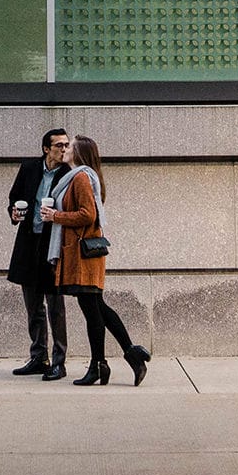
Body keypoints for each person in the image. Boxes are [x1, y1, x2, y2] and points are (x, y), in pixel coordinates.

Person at [40, 134, 150, 387]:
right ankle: (126, 357)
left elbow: (87, 215)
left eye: (70, 147)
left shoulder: (80, 177)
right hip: (85, 254)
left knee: (93, 311)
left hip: (83, 255)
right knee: (97, 308)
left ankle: (101, 365)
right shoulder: (83, 176)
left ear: (79, 153)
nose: (65, 149)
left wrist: (55, 216)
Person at [6, 127, 71, 379]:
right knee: (33, 306)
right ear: (46, 149)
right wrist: (13, 212)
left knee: (55, 305)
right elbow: (14, 198)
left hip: (53, 245)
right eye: (59, 146)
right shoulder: (29, 168)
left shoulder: (69, 174)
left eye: (66, 145)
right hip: (28, 243)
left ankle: (59, 361)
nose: (64, 149)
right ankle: (38, 357)